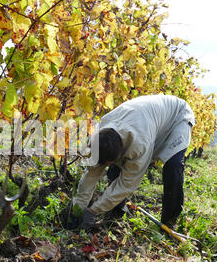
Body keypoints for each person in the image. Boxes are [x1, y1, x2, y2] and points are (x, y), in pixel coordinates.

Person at [69, 95, 196, 231]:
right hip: (146, 121)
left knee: (173, 167)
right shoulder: (100, 134)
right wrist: (78, 208)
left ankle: (169, 222)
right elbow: (91, 174)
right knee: (115, 170)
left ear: (122, 151)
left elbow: (127, 183)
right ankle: (117, 209)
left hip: (177, 117)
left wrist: (93, 211)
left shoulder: (140, 144)